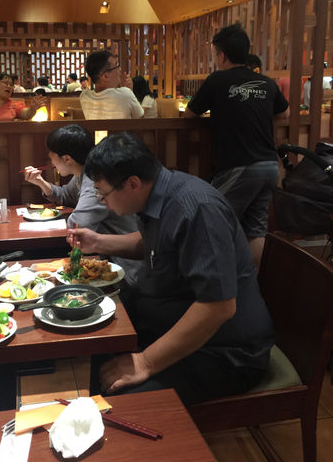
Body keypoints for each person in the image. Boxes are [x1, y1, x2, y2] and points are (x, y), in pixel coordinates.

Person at [67, 132, 273, 405]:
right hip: (170, 323)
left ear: (132, 183)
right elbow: (155, 242)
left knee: (119, 401)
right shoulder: (158, 193)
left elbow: (218, 306)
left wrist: (145, 362)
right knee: (90, 347)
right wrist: (99, 242)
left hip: (226, 351)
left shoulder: (198, 209)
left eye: (102, 194)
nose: (101, 200)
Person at [184, 24, 289, 267]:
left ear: (222, 55)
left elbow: (190, 113)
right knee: (256, 230)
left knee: (211, 220)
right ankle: (250, 281)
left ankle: (218, 279)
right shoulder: (265, 82)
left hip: (240, 166)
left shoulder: (217, 80)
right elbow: (285, 113)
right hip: (269, 165)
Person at [22, 125, 142, 285]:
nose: (51, 162)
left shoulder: (94, 180)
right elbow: (65, 195)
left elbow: (78, 225)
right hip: (108, 258)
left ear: (66, 159)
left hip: (125, 268)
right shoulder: (83, 173)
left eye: (52, 157)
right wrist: (41, 183)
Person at [80, 50, 144, 120]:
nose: (120, 69)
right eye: (116, 66)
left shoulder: (84, 96)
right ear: (105, 76)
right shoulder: (126, 94)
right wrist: (129, 91)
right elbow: (142, 121)